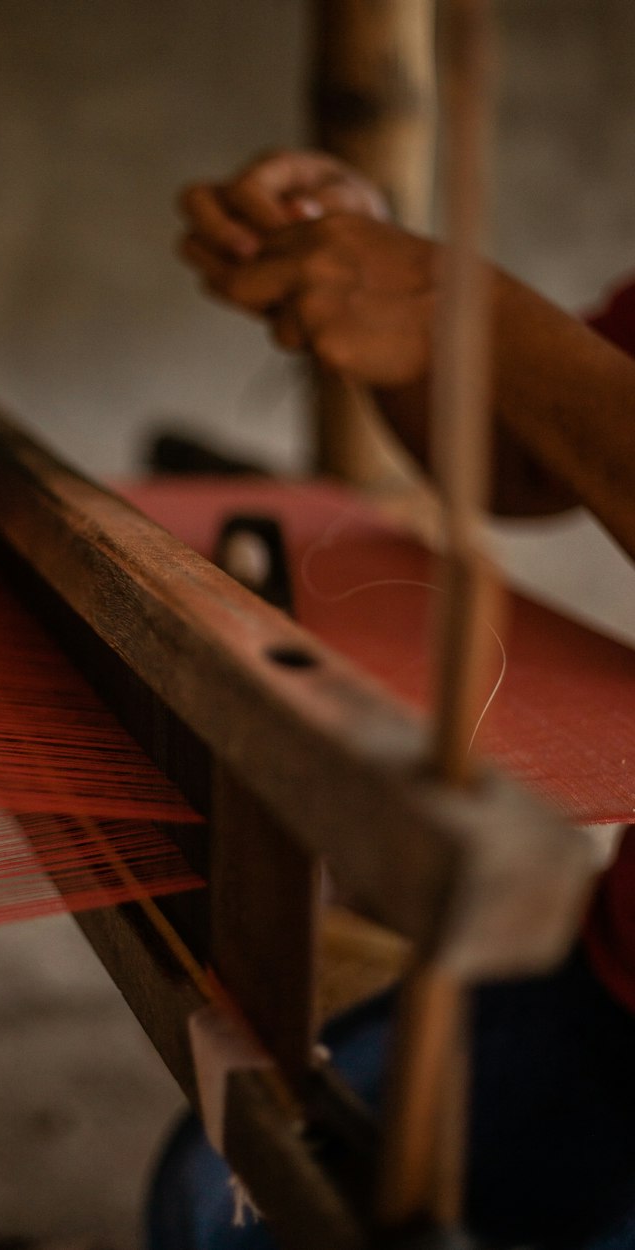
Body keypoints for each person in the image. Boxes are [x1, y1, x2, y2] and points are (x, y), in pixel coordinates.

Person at [145, 149, 635, 1250]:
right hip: (616, 970)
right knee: (221, 1198)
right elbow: (524, 454)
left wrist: (466, 309)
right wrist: (367, 285)